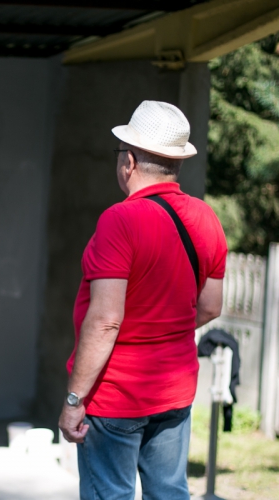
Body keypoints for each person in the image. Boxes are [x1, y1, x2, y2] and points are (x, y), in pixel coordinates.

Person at [58, 100, 228, 499]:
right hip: (174, 392)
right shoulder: (206, 218)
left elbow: (105, 321)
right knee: (169, 492)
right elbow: (210, 307)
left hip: (115, 395)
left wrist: (73, 399)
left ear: (129, 161)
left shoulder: (120, 220)